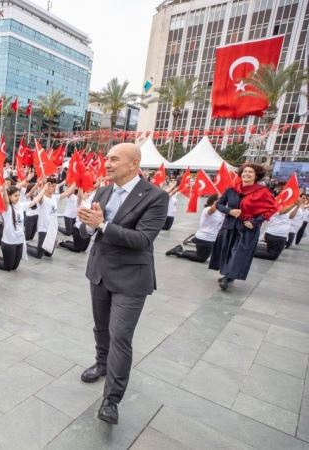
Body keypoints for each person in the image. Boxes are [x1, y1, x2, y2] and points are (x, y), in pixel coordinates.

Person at [75, 143, 169, 425]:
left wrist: (102, 225)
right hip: (99, 272)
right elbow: (86, 229)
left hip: (130, 278)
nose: (107, 163)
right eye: (107, 158)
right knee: (101, 327)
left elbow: (142, 239)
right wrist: (89, 225)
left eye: (114, 159)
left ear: (134, 163)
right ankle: (101, 363)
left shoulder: (156, 197)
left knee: (120, 337)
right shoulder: (103, 191)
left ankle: (111, 399)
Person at [209, 163, 278, 290]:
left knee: (239, 253)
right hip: (230, 226)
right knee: (228, 251)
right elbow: (219, 204)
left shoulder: (263, 192)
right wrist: (229, 211)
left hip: (247, 228)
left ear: (256, 175)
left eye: (250, 172)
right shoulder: (232, 189)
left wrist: (255, 222)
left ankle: (228, 278)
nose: (246, 174)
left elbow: (271, 209)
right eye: (245, 171)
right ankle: (228, 274)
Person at [0, 184, 30, 271]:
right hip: (9, 242)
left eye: (18, 195)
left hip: (19, 241)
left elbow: (34, 202)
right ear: (9, 196)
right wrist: (4, 189)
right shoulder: (7, 207)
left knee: (14, 267)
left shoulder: (20, 205)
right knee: (7, 267)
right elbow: (6, 201)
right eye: (15, 195)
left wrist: (44, 189)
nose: (18, 197)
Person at [166, 195, 224, 262]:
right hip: (204, 238)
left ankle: (182, 248)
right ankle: (178, 252)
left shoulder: (221, 212)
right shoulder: (208, 209)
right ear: (214, 202)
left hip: (212, 238)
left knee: (205, 255)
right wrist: (222, 199)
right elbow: (212, 210)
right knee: (201, 258)